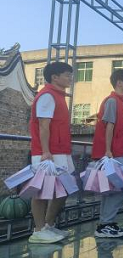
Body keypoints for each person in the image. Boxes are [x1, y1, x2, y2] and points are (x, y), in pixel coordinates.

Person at [28, 62, 74, 244]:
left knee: (64, 189)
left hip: (61, 150)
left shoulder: (59, 96)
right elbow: (43, 125)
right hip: (48, 152)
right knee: (41, 191)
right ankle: (39, 230)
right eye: (67, 75)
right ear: (54, 77)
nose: (70, 78)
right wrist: (45, 151)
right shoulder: (47, 95)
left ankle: (48, 225)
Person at [91, 68, 123, 238]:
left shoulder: (119, 102)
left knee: (112, 189)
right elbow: (108, 127)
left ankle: (105, 223)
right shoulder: (112, 101)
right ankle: (105, 223)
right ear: (119, 82)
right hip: (114, 154)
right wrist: (108, 150)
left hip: (117, 152)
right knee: (119, 188)